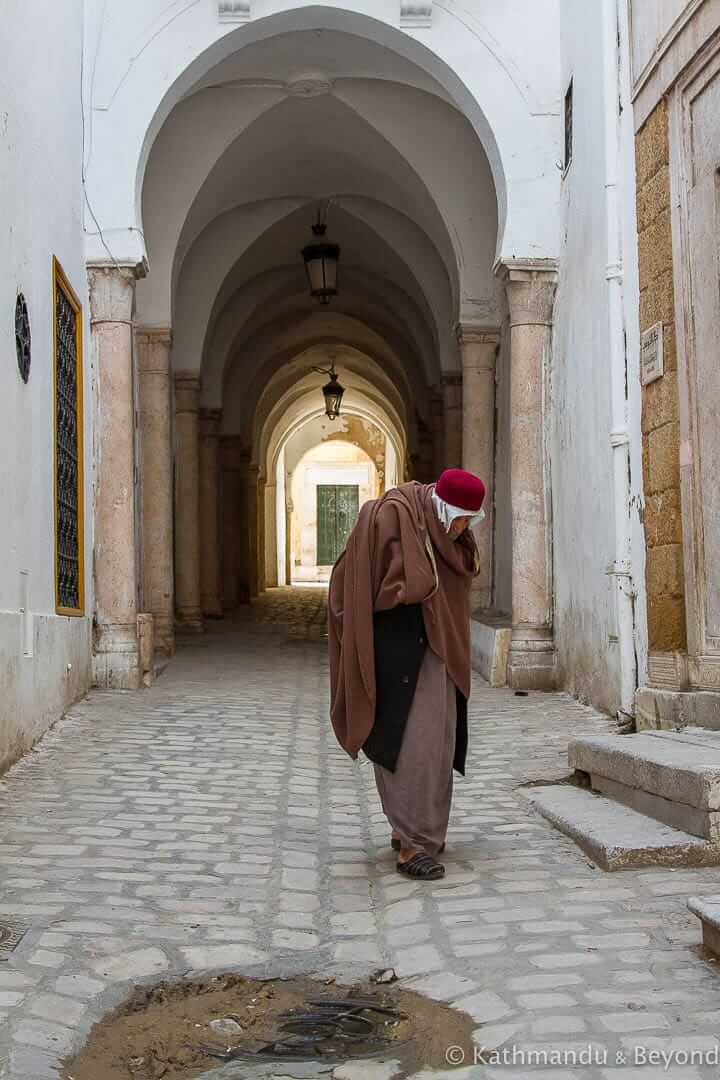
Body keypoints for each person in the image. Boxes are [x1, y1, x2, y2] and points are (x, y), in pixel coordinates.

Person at [328, 469, 485, 881]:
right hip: (397, 650)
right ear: (443, 506)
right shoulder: (392, 516)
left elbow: (456, 580)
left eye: (471, 519)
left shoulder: (455, 538)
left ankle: (416, 830)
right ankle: (412, 843)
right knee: (407, 742)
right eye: (461, 517)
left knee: (438, 743)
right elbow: (356, 578)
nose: (464, 527)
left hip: (440, 650)